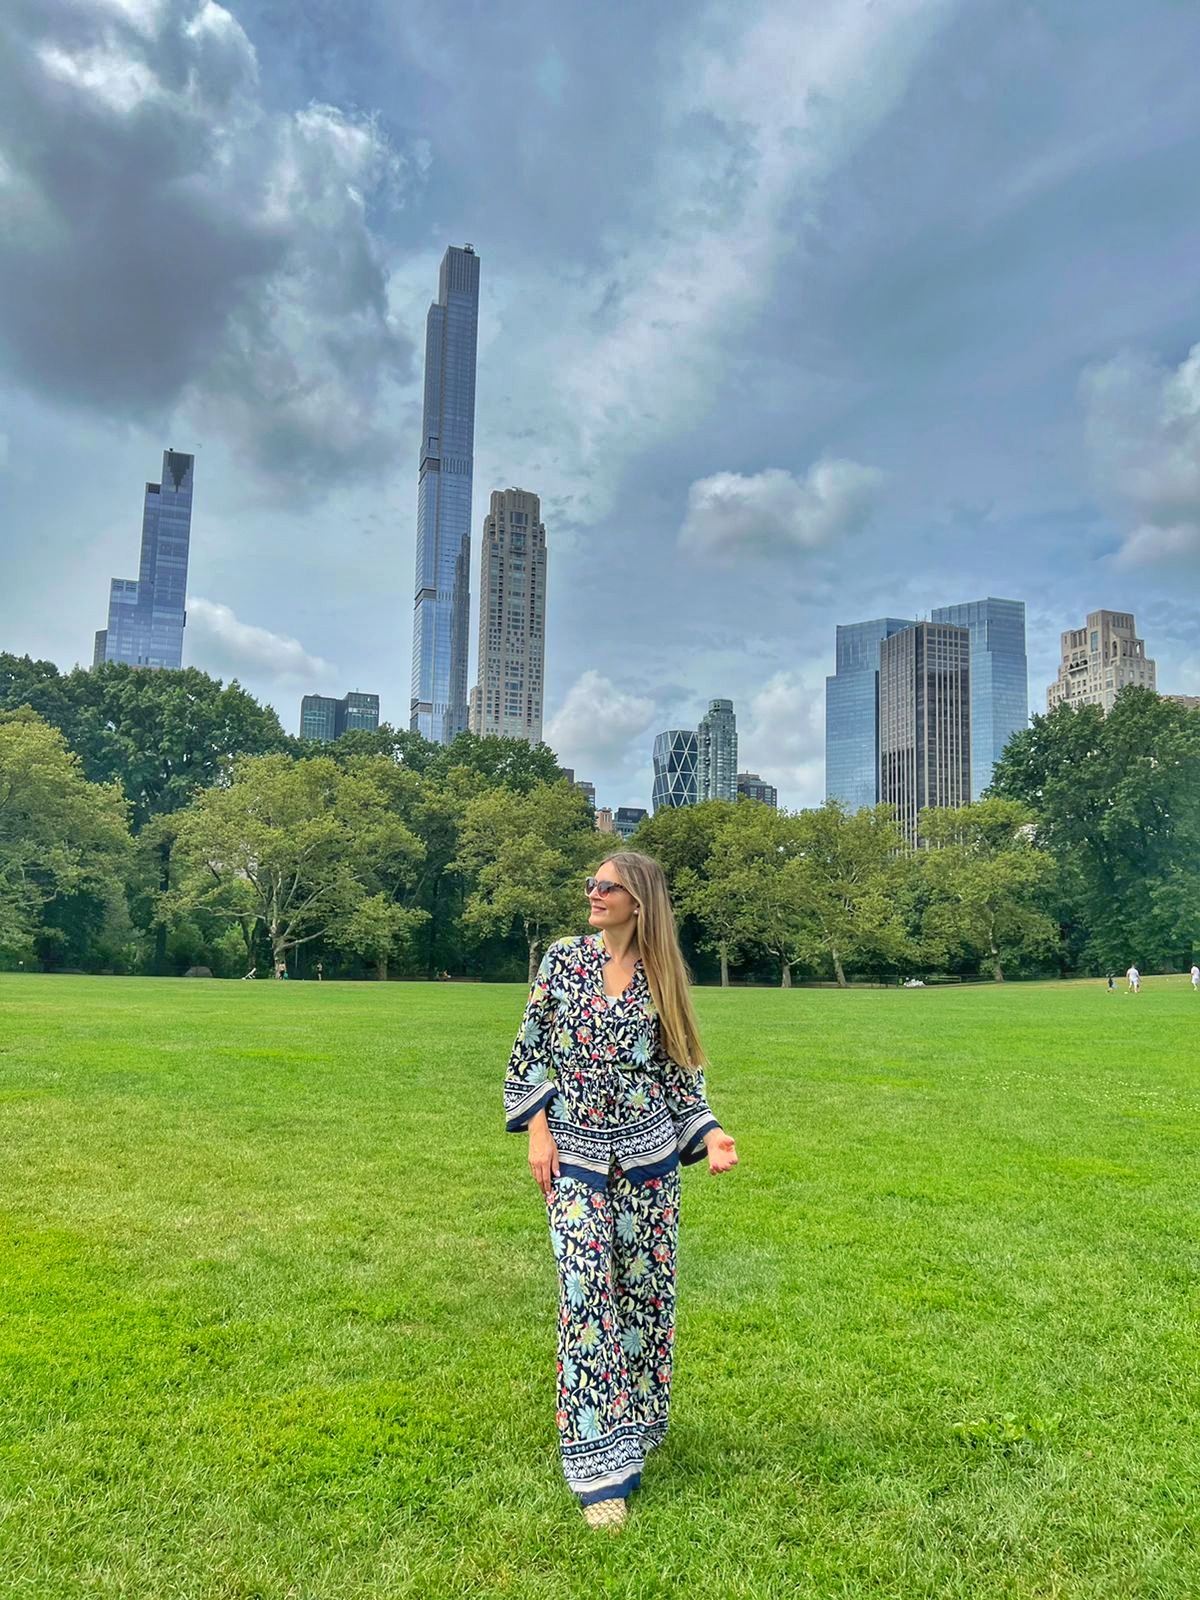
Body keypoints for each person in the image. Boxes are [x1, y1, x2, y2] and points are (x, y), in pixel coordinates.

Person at [504, 851, 738, 1531]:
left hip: (649, 1165)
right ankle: (599, 1470)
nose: (593, 892)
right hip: (573, 1157)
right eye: (591, 883)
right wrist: (537, 1132)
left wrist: (711, 1134)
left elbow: (680, 1078)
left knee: (643, 1301)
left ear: (639, 900)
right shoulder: (562, 960)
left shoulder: (663, 977)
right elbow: (529, 1053)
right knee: (585, 1295)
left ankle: (635, 1425)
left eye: (606, 886)